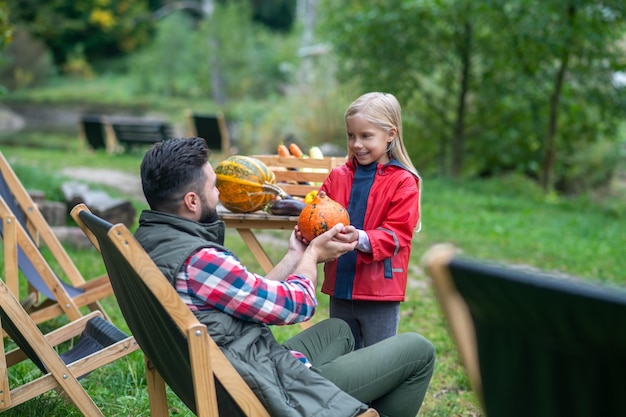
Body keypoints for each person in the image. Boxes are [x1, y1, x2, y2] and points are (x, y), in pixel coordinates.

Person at [134, 137, 435, 417]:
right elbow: (298, 305)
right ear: (191, 201)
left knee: (339, 330)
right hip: (271, 389)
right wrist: (312, 256)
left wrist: (294, 255)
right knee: (419, 350)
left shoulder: (152, 243)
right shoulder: (200, 260)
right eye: (214, 187)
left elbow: (248, 296)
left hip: (244, 366)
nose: (219, 193)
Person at [313, 92, 422, 349]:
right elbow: (318, 213)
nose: (357, 144)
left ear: (390, 134)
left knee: (378, 358)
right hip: (341, 286)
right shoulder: (338, 176)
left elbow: (397, 235)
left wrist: (360, 238)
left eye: (366, 136)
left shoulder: (403, 182)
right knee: (342, 354)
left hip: (379, 292)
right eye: (351, 136)